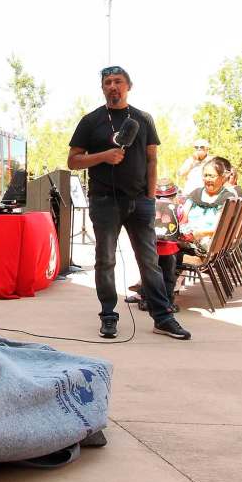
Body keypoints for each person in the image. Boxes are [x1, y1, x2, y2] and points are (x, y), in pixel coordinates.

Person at [68, 65, 191, 340]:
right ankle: (108, 316)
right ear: (102, 88)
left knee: (150, 261)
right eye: (108, 82)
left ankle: (162, 316)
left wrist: (150, 197)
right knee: (105, 260)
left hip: (140, 202)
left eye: (118, 81)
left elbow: (152, 159)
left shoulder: (143, 119)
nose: (113, 86)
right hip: (104, 201)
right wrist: (103, 156)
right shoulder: (91, 121)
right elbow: (73, 161)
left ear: (128, 86)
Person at [179, 157, 235, 254]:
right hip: (189, 239)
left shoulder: (228, 198)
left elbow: (223, 228)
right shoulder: (195, 194)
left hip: (211, 243)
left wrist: (201, 234)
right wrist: (185, 233)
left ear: (222, 178)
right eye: (205, 175)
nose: (208, 179)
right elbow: (183, 220)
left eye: (212, 176)